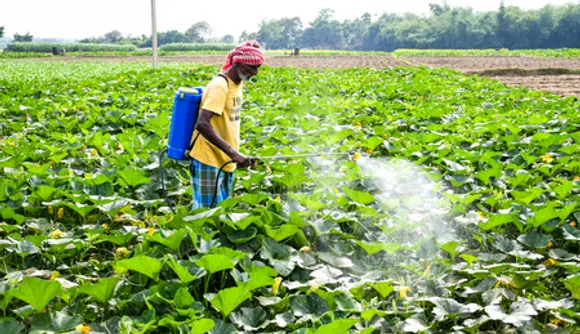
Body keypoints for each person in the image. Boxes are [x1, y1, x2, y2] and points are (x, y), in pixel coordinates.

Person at [188, 41, 265, 209]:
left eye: (258, 67)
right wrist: (233, 153)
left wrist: (235, 154)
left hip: (225, 159)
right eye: (252, 67)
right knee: (206, 217)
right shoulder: (220, 86)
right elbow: (202, 124)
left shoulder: (237, 85)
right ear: (238, 63)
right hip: (209, 159)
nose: (256, 72)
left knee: (221, 212)